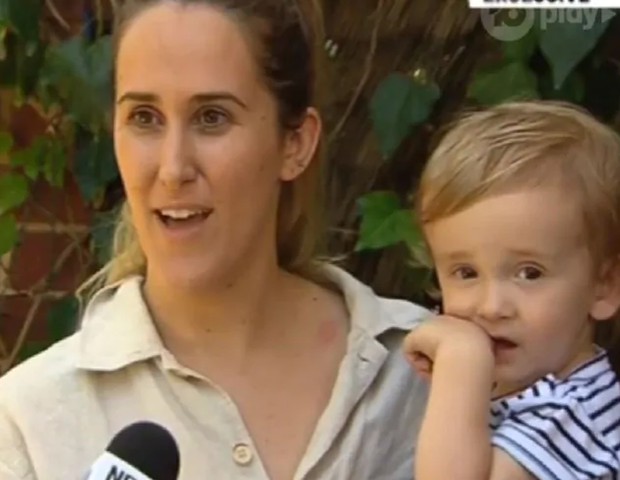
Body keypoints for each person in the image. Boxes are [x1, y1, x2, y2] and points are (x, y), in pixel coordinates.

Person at [0, 1, 429, 479]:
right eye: (144, 117)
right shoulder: (31, 421)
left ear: (296, 144)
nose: (173, 168)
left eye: (211, 118)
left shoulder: (421, 371)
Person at [404, 100, 620, 480]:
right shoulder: (534, 394)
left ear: (604, 287)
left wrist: (461, 362)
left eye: (530, 273)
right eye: (466, 272)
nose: (491, 307)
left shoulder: (571, 414)